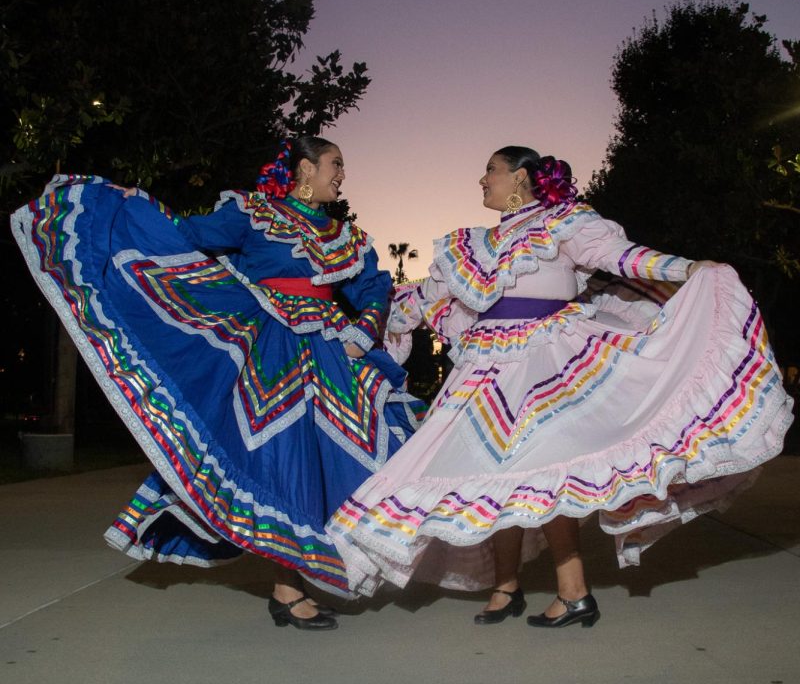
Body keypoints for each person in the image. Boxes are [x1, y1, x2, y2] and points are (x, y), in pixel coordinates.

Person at [328, 145, 793, 625]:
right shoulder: (470, 246)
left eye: (490, 170)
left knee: (543, 473)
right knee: (495, 475)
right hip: (484, 368)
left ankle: (573, 593)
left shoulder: (563, 224)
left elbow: (624, 258)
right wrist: (363, 330)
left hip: (547, 361)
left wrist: (690, 269)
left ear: (521, 177)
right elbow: (424, 297)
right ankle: (507, 587)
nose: (482, 180)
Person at [12, 137, 422, 630]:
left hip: (330, 354)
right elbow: (187, 233)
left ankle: (302, 578)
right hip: (269, 353)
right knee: (281, 463)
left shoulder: (345, 237)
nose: (341, 175)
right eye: (336, 164)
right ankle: (288, 590)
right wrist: (133, 204)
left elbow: (373, 284)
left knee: (334, 461)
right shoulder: (254, 214)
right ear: (306, 168)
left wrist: (363, 328)